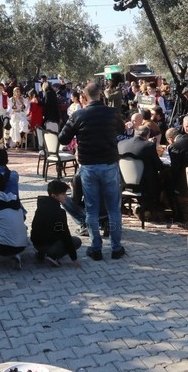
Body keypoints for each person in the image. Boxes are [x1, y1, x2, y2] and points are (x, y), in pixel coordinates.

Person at [58, 82, 126, 261]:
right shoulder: (112, 113)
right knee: (114, 209)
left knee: (92, 209)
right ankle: (116, 247)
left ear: (85, 97)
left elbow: (63, 138)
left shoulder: (79, 115)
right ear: (101, 94)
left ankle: (96, 248)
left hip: (88, 167)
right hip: (109, 165)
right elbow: (121, 129)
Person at [30, 180, 82, 267]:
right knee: (76, 241)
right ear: (54, 195)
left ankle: (41, 254)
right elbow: (66, 235)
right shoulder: (59, 212)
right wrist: (74, 258)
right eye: (63, 194)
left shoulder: (41, 206)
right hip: (48, 244)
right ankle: (53, 256)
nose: (65, 196)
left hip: (36, 243)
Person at [118, 125, 165, 217]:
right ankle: (151, 208)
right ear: (147, 135)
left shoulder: (121, 144)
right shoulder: (149, 145)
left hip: (123, 183)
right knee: (161, 177)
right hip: (144, 185)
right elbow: (159, 166)